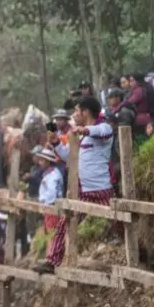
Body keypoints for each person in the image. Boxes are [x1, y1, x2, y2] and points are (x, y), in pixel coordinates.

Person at [41, 97, 114, 272]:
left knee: (118, 222)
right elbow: (69, 158)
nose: (74, 115)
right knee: (65, 223)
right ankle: (52, 262)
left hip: (101, 189)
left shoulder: (104, 127)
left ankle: (139, 251)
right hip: (82, 190)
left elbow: (102, 131)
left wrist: (84, 129)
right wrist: (56, 143)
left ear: (86, 113)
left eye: (76, 111)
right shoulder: (81, 137)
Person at [32, 148, 64, 273]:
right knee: (49, 232)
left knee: (52, 233)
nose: (39, 162)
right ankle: (49, 258)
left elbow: (51, 194)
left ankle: (51, 261)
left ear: (48, 161)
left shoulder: (53, 175)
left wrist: (46, 205)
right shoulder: (49, 173)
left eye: (42, 160)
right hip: (48, 207)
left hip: (51, 207)